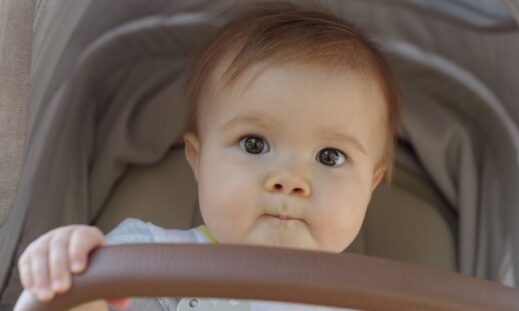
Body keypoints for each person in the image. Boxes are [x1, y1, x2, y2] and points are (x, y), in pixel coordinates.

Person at [17, 1, 401, 310]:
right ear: (197, 159)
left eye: (330, 156)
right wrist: (70, 272)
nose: (290, 180)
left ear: (370, 183)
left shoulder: (379, 299)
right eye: (254, 144)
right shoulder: (149, 258)